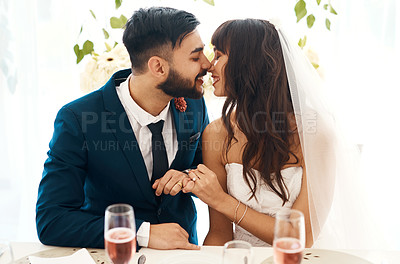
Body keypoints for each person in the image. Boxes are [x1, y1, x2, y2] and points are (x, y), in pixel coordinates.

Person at [154, 18, 368, 248]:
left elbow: (302, 237)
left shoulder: (316, 134)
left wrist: (222, 201)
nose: (210, 66)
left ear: (246, 64)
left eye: (218, 55)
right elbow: (219, 234)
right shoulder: (216, 133)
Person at [36, 7, 211, 249]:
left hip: (184, 253)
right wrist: (143, 233)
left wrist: (189, 176)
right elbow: (52, 219)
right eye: (195, 57)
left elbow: (207, 168)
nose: (208, 63)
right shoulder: (78, 119)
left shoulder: (193, 103)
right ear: (158, 67)